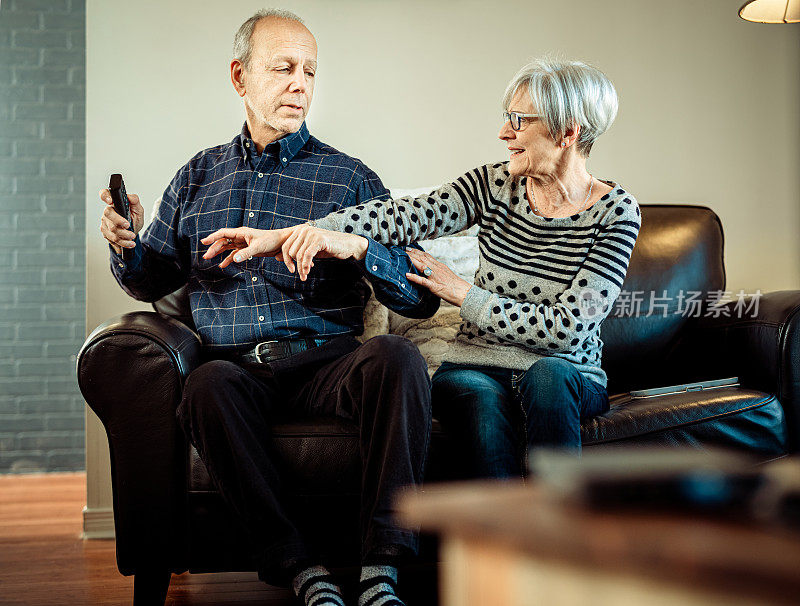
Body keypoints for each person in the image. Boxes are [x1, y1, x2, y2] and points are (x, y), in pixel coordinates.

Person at [99, 9, 437, 606]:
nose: (300, 84)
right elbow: (152, 278)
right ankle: (302, 567)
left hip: (326, 363)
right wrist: (126, 243)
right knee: (203, 387)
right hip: (236, 368)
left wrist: (358, 249)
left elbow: (416, 296)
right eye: (284, 68)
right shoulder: (197, 178)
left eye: (310, 71)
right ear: (240, 77)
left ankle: (382, 566)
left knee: (398, 358)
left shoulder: (349, 179)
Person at [204, 58, 641, 480]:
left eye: (519, 120)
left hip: (567, 372)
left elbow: (566, 329)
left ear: (568, 132)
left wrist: (459, 292)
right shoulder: (494, 184)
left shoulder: (616, 213)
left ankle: (559, 542)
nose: (504, 132)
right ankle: (496, 545)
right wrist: (297, 235)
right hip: (475, 365)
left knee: (550, 374)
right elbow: (401, 216)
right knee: (482, 404)